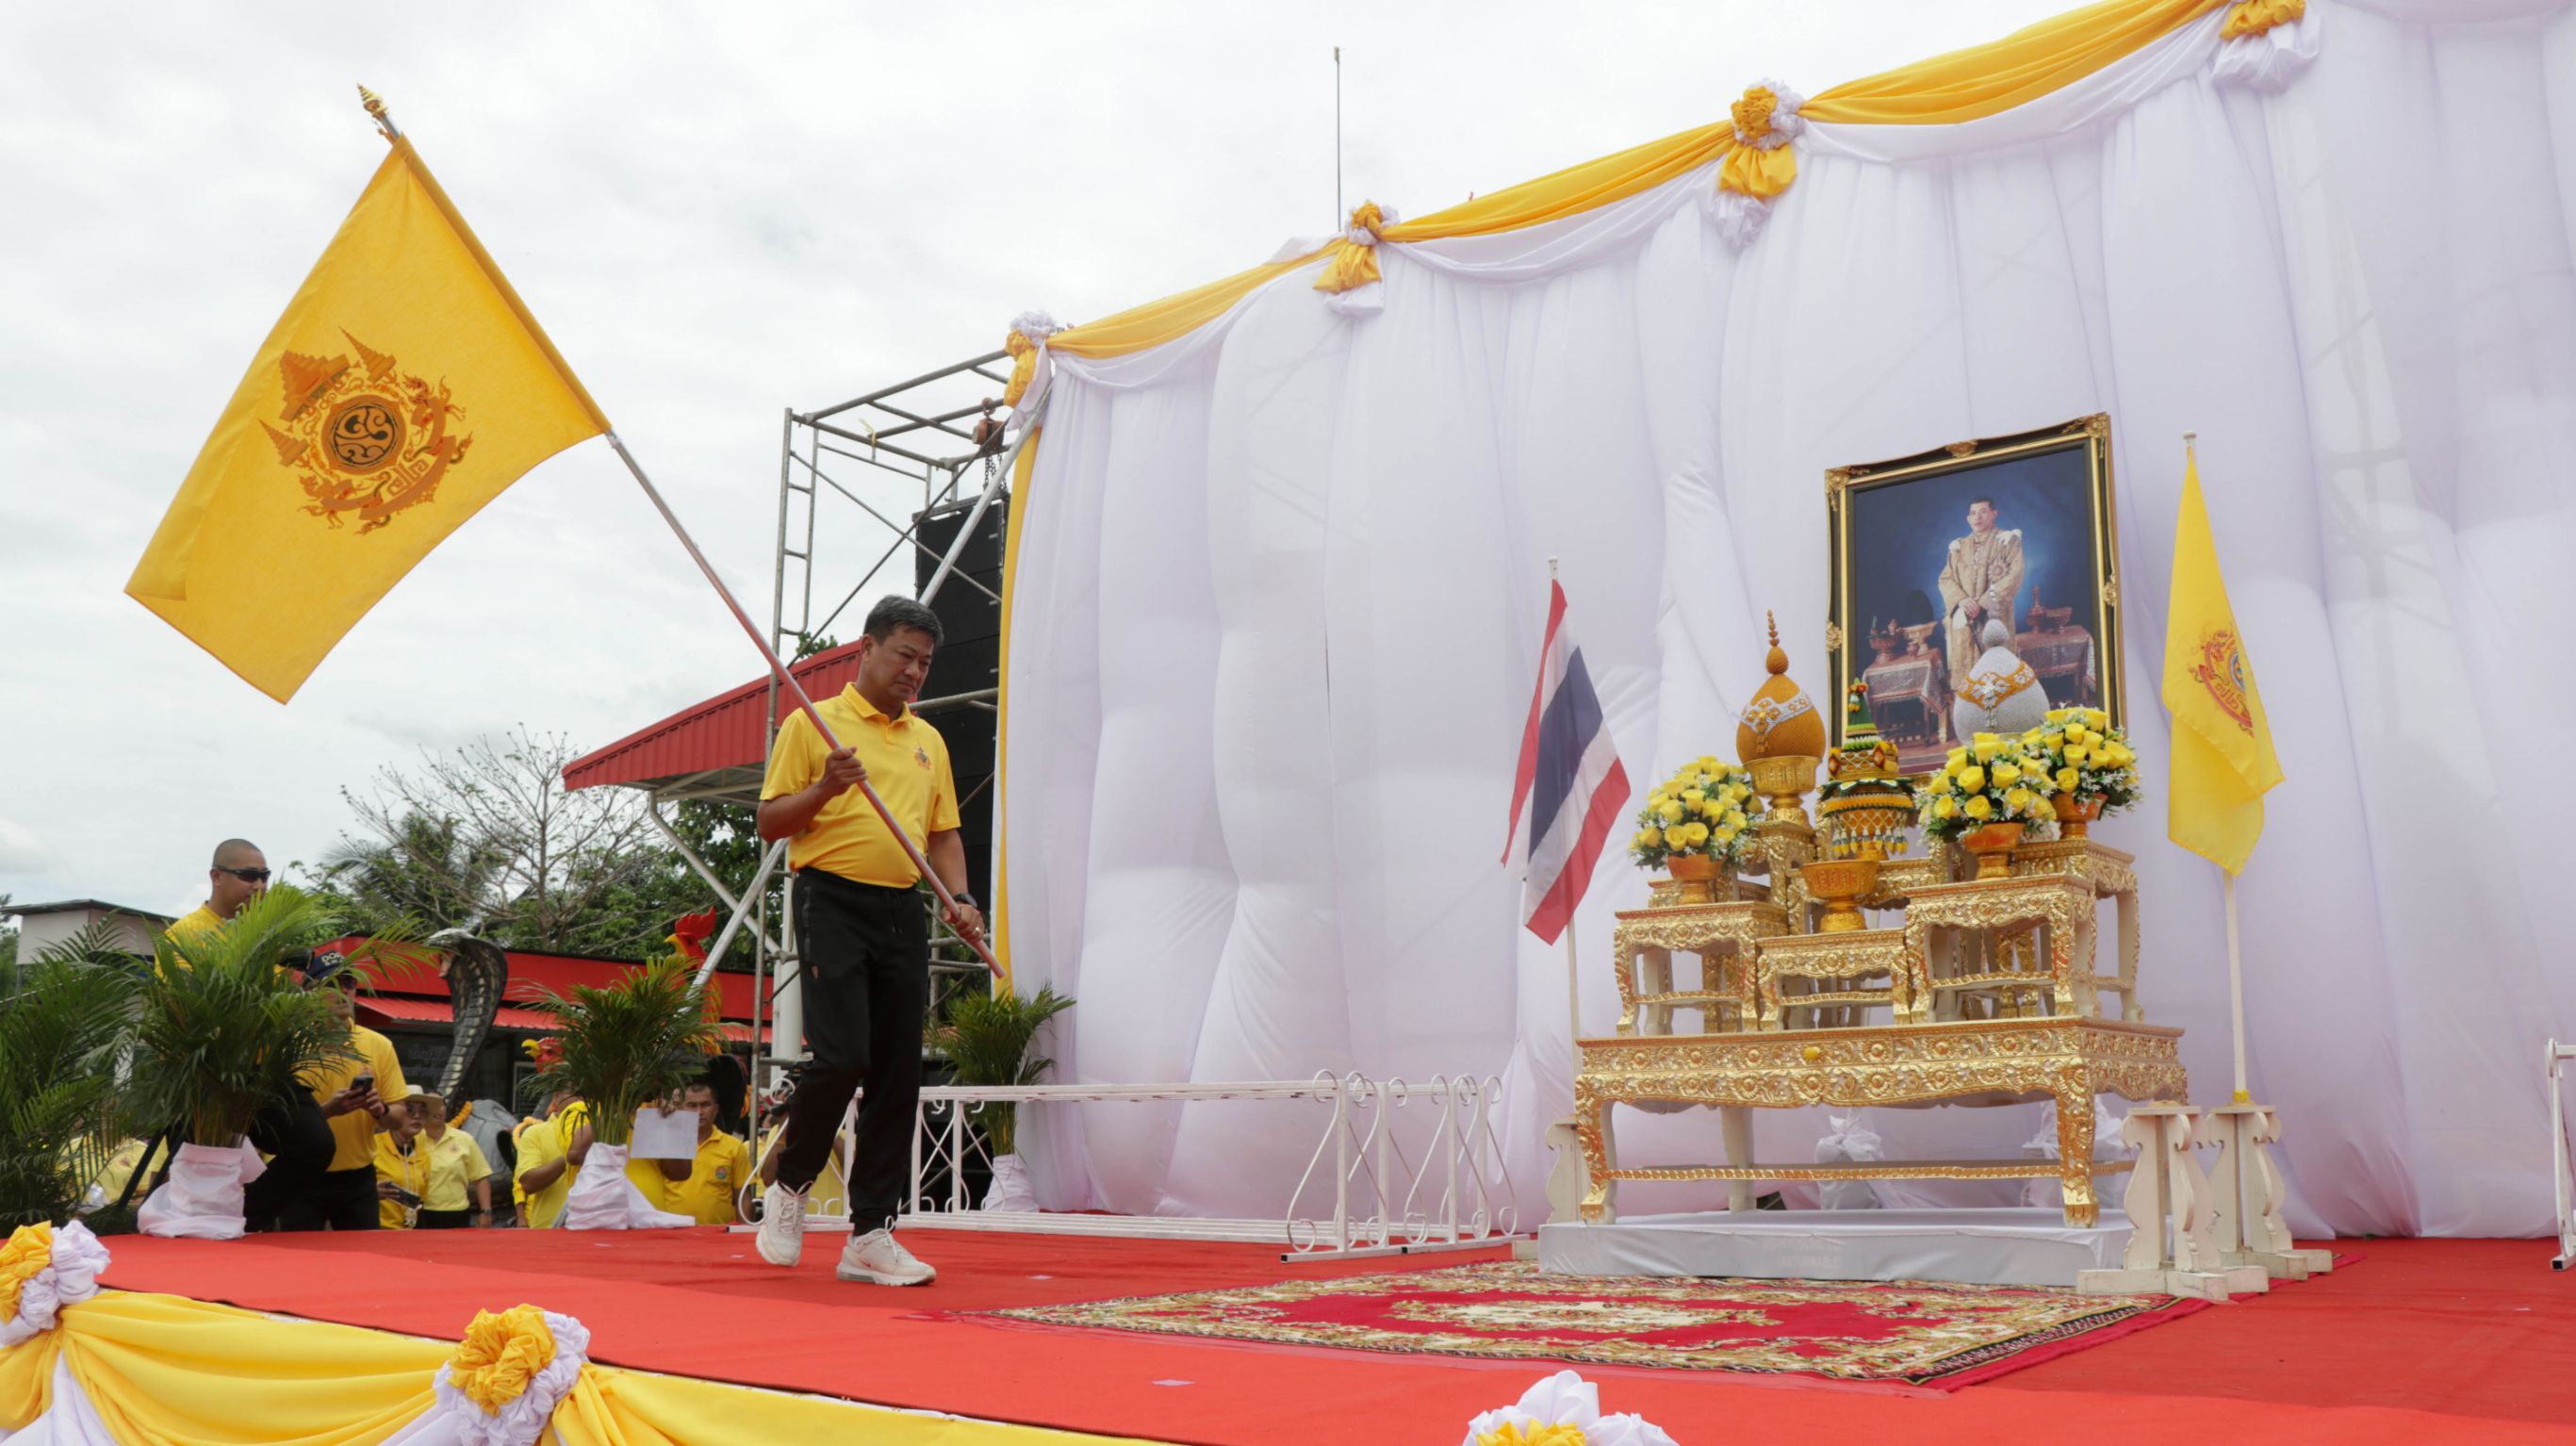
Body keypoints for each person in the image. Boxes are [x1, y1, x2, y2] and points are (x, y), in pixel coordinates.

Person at [752, 596, 981, 1286]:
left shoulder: (927, 739)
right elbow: (771, 822)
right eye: (904, 655)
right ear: (867, 649)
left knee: (898, 1070)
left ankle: (871, 1232)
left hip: (902, 907)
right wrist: (826, 786)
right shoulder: (813, 723)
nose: (914, 671)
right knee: (844, 1055)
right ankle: (789, 1184)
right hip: (830, 899)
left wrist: (962, 898)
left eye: (925, 663)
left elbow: (943, 832)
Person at [161, 839, 347, 1232]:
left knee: (315, 1145)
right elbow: (184, 1009)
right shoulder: (185, 935)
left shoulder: (269, 937)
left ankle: (243, 1220)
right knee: (195, 1164)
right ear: (216, 876)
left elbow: (289, 998)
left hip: (264, 1071)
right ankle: (197, 1230)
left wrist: (315, 996)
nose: (259, 885)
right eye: (248, 876)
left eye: (264, 876)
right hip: (207, 1077)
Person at [283, 964, 408, 1230]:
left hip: (358, 1178)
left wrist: (380, 1110)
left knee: (364, 1254)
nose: (343, 992)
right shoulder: (289, 1044)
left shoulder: (379, 1045)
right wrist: (327, 1111)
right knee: (297, 1254)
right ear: (310, 993)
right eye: (331, 985)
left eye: (349, 984)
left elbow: (399, 1117)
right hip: (298, 1173)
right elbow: (276, 1123)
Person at [1937, 495, 2026, 694]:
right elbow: (1945, 579)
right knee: (1970, 681)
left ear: (1994, 514)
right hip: (1965, 620)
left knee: (1999, 677)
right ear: (1968, 518)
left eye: (1983, 512)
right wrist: (1962, 600)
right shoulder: (1958, 547)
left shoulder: (2007, 541)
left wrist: (1983, 603)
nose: (1977, 517)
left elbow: (2015, 575)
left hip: (1995, 616)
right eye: (1973, 513)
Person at [641, 1080, 753, 1226]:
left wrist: (745, 1232)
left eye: (705, 1105)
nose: (699, 1112)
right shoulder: (666, 1143)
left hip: (718, 1234)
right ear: (680, 1108)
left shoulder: (734, 1147)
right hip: (672, 1232)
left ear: (716, 1109)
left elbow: (743, 1196)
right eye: (692, 1105)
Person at [406, 1091, 495, 1229]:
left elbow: (481, 1177)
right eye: (431, 1106)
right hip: (420, 1213)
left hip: (457, 1214)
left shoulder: (464, 1139)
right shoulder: (411, 1140)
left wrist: (486, 1212)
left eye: (440, 1105)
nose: (436, 1110)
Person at [513, 1087, 590, 1229]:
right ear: (557, 1097)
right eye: (576, 1093)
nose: (582, 1100)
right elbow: (528, 1183)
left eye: (586, 1095)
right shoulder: (535, 1133)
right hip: (547, 1230)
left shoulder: (607, 1129)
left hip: (595, 1228)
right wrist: (571, 1154)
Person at [371, 1101, 425, 1229]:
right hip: (375, 1230)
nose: (417, 1116)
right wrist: (370, 1193)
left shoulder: (423, 1153)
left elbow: (422, 1198)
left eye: (423, 1111)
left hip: (410, 1232)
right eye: (410, 1110)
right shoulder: (372, 1146)